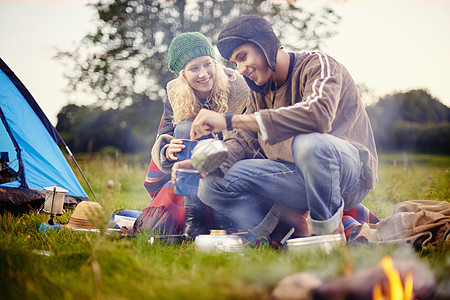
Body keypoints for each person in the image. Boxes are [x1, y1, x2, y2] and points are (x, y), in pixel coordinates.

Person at [172, 15, 378, 245]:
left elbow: (317, 116)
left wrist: (230, 120)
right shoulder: (260, 92)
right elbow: (243, 142)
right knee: (210, 186)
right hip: (293, 178)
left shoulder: (318, 65)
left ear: (264, 45)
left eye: (242, 57)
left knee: (309, 143)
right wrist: (204, 164)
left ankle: (328, 232)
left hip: (346, 177)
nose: (240, 70)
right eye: (235, 63)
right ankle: (286, 229)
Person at [146, 32, 249, 239]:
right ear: (182, 74)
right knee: (184, 128)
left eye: (207, 64)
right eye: (194, 68)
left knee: (201, 133)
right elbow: (165, 133)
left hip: (232, 156)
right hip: (193, 165)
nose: (203, 74)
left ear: (215, 63)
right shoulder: (175, 92)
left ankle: (223, 215)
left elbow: (244, 137)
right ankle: (196, 215)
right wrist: (168, 149)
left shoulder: (237, 86)